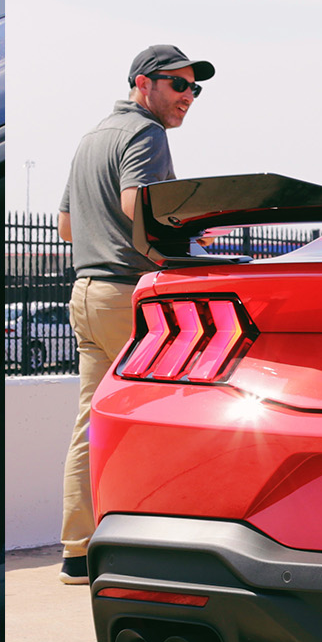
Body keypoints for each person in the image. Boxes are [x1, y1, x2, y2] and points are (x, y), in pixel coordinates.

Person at [56, 44, 215, 584]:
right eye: (179, 85)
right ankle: (168, 548)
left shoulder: (91, 137)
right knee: (173, 417)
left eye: (195, 88)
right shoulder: (145, 133)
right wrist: (186, 241)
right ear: (144, 84)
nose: (189, 97)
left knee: (92, 423)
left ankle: (77, 552)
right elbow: (136, 207)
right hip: (128, 294)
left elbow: (66, 227)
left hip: (85, 292)